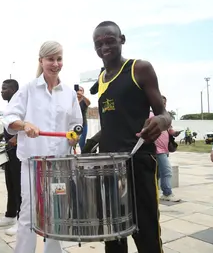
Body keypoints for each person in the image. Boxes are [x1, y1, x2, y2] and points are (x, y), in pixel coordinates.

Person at [82, 21, 172, 253]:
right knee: (113, 234)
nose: (104, 46)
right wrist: (91, 143)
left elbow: (164, 114)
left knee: (146, 232)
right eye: (98, 43)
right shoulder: (101, 79)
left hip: (137, 161)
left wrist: (159, 123)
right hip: (108, 166)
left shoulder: (139, 69)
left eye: (110, 40)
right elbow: (114, 124)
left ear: (122, 39)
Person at [2, 41, 82, 253]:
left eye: (59, 59)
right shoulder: (28, 89)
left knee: (57, 214)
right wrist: (24, 124)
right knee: (29, 215)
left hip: (59, 166)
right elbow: (9, 117)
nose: (55, 64)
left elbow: (76, 123)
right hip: (33, 166)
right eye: (50, 59)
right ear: (41, 61)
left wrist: (75, 136)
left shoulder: (69, 92)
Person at [0, 79, 21, 236]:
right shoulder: (10, 104)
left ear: (13, 90)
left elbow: (28, 124)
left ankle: (21, 220)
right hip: (10, 151)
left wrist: (17, 138)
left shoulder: (21, 102)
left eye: (4, 88)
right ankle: (10, 214)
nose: (1, 91)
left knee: (19, 186)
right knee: (10, 183)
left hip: (20, 152)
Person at [151, 96, 181, 202]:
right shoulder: (150, 115)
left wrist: (175, 133)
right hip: (157, 150)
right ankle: (167, 193)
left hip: (165, 149)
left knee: (159, 173)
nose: (163, 105)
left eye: (165, 103)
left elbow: (170, 130)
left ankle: (156, 193)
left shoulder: (166, 116)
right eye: (161, 102)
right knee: (167, 171)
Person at [77, 86, 91, 150]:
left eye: (81, 90)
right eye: (78, 90)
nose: (79, 91)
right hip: (74, 124)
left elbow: (89, 103)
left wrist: (82, 95)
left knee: (81, 142)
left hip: (83, 124)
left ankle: (83, 154)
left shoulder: (84, 101)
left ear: (83, 92)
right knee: (72, 141)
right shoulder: (73, 100)